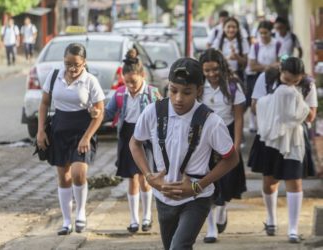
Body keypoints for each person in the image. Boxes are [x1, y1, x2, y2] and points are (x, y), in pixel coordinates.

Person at [129, 57, 239, 250]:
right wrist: (149, 176)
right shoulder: (153, 111)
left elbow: (232, 158)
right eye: (173, 90)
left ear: (198, 91)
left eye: (187, 92)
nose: (179, 98)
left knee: (178, 247)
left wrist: (198, 186)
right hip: (163, 196)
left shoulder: (211, 121)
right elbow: (135, 143)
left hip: (197, 197)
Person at [36, 43, 105, 235]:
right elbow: (43, 104)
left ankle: (81, 212)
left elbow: (100, 114)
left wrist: (87, 137)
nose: (72, 69)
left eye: (76, 64)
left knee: (78, 173)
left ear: (84, 62)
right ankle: (66, 221)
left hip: (83, 131)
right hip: (59, 129)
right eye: (68, 64)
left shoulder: (90, 81)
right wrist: (40, 131)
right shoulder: (54, 75)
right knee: (63, 176)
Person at [248, 57, 317, 243]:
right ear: (280, 72)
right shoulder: (266, 78)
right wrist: (274, 101)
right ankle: (271, 219)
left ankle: (293, 229)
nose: (291, 84)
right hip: (270, 135)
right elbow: (254, 106)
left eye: (296, 81)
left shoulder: (308, 85)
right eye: (287, 80)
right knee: (270, 181)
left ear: (301, 77)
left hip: (295, 139)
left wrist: (295, 101)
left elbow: (310, 116)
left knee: (295, 181)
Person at [102, 49, 161, 233]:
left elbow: (162, 115)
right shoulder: (120, 94)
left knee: (146, 178)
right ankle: (134, 219)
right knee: (132, 179)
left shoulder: (152, 93)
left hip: (146, 139)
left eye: (133, 82)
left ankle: (147, 217)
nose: (130, 86)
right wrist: (96, 114)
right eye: (126, 82)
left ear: (142, 75)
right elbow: (108, 113)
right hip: (128, 137)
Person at [199, 49, 247, 243]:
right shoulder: (199, 86)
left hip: (226, 134)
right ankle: (211, 227)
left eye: (215, 70)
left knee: (226, 182)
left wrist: (235, 144)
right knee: (208, 181)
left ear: (222, 67)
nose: (211, 74)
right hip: (205, 137)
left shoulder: (232, 85)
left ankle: (222, 209)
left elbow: (238, 117)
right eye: (207, 70)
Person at [245, 20, 282, 133]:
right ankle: (254, 124)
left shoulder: (278, 44)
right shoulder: (255, 46)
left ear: (271, 32)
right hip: (257, 77)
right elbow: (251, 66)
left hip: (274, 78)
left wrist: (261, 66)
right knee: (255, 100)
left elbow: (280, 63)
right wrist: (270, 66)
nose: (263, 35)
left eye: (265, 33)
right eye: (260, 33)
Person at [213, 17, 250, 82]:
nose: (231, 30)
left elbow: (246, 63)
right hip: (221, 75)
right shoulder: (218, 42)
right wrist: (227, 58)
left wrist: (237, 57)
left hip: (238, 76)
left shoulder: (243, 42)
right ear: (224, 28)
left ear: (238, 29)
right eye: (228, 27)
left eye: (234, 27)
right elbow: (214, 61)